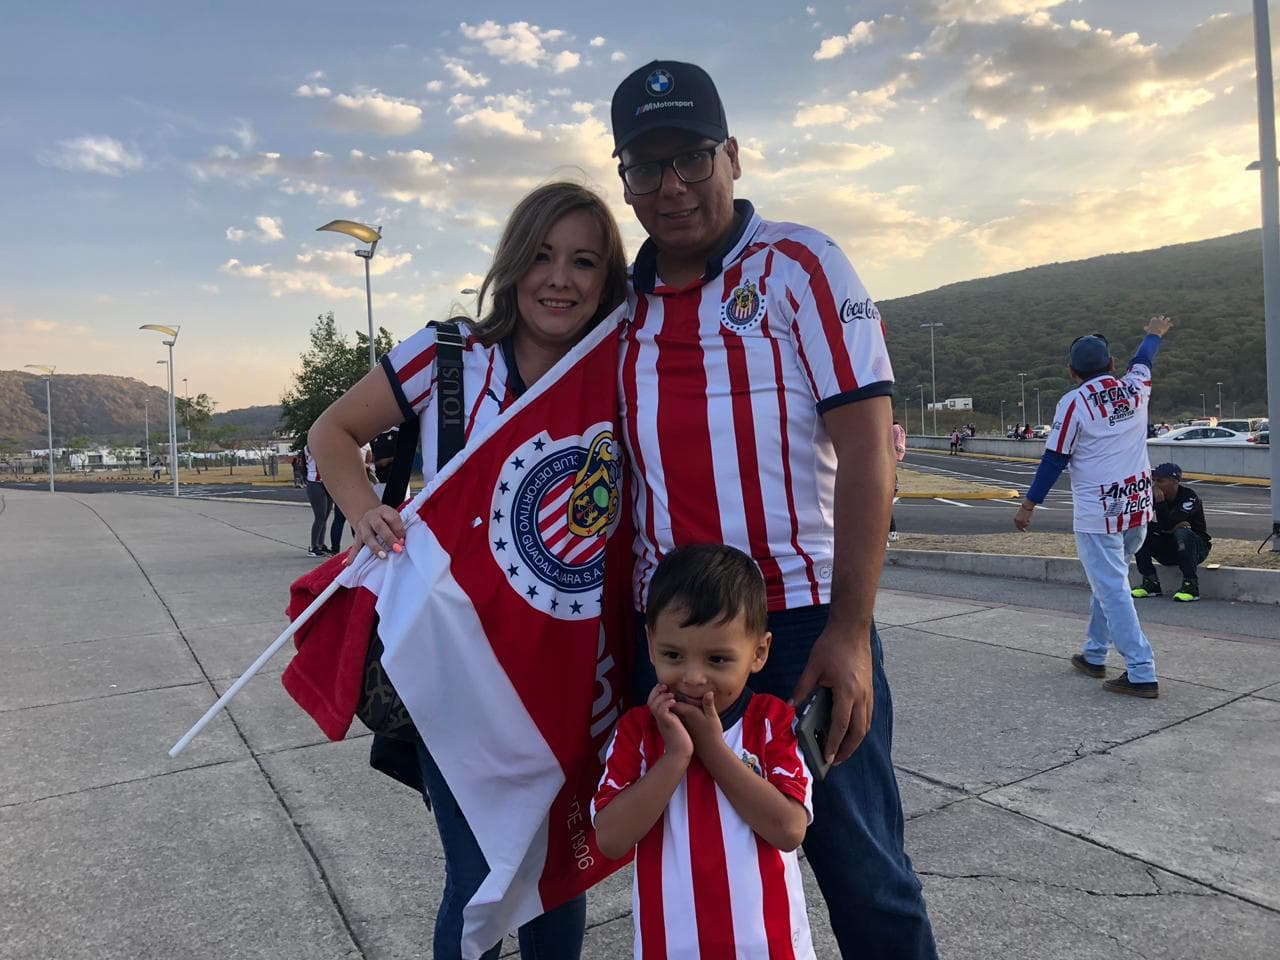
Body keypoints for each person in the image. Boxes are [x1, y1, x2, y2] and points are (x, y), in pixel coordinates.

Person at [610, 60, 936, 958]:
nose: (671, 187)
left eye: (693, 159)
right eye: (646, 166)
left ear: (734, 157)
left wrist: (850, 631)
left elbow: (870, 451)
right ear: (624, 179)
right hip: (674, 640)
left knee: (863, 871)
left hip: (796, 627)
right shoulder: (619, 307)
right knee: (698, 873)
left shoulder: (800, 265)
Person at [307, 181, 628, 960]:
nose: (560, 278)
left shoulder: (624, 366)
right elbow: (333, 430)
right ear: (513, 266)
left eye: (583, 261)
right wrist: (364, 511)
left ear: (607, 276)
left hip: (573, 666)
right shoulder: (449, 357)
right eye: (542, 256)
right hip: (461, 667)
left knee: (556, 873)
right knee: (483, 868)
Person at [593, 544, 815, 959]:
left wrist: (712, 747)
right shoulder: (638, 732)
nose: (694, 678)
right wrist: (675, 756)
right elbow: (610, 839)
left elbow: (788, 829)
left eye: (717, 659)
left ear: (758, 653)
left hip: (767, 946)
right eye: (673, 655)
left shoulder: (771, 723)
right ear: (651, 642)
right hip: (672, 947)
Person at [1014, 315, 1173, 699]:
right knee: (1110, 581)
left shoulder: (1073, 404)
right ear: (1113, 365)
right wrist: (1153, 333)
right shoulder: (1136, 388)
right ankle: (1094, 653)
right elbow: (1145, 358)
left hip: (1099, 514)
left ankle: (1141, 670)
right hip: (1138, 508)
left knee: (1113, 587)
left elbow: (1054, 460)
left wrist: (1029, 505)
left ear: (1072, 372)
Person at [1131, 462, 1211, 602]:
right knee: (1140, 530)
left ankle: (1191, 586)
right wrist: (1167, 527)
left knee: (1182, 532)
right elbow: (1159, 525)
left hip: (1196, 549)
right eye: (1154, 480)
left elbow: (1169, 524)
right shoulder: (1152, 496)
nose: (1155, 485)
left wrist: (1161, 503)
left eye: (1160, 481)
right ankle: (1151, 583)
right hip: (1169, 547)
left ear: (1174, 481)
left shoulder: (1189, 497)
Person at [302, 443, 332, 558]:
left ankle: (320, 544)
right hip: (315, 483)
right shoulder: (311, 445)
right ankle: (313, 546)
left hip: (327, 482)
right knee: (320, 516)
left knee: (325, 516)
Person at [890, 419, 906, 543]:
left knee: (883, 507)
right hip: (891, 475)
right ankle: (892, 533)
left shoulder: (894, 428)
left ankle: (892, 533)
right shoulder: (899, 429)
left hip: (888, 476)